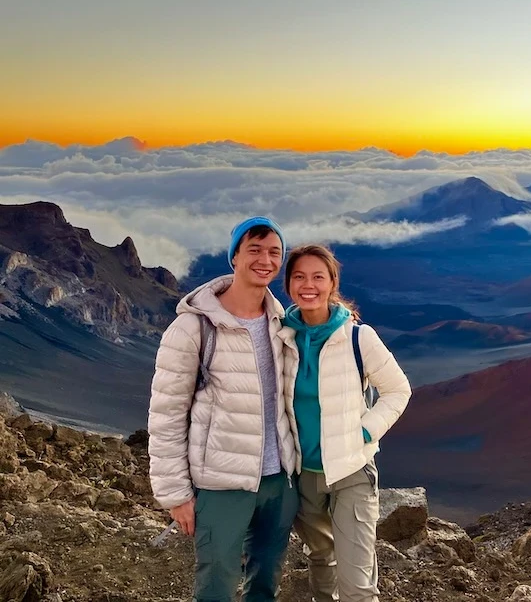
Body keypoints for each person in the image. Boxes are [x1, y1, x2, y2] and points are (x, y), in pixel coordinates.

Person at [148, 217, 300, 602]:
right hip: (221, 483)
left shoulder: (281, 322)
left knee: (265, 579)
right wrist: (176, 494)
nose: (265, 260)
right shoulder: (194, 329)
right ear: (234, 256)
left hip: (278, 480)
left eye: (274, 253)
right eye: (254, 250)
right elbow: (166, 414)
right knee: (216, 582)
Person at [281, 244, 412, 602]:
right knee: (321, 561)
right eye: (299, 277)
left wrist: (365, 432)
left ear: (333, 282)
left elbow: (398, 390)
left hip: (351, 470)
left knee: (356, 585)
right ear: (288, 284)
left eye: (318, 277)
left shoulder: (358, 337)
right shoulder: (282, 338)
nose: (309, 285)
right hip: (303, 474)